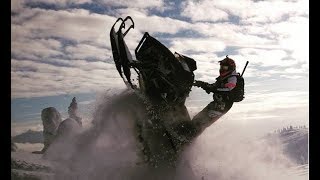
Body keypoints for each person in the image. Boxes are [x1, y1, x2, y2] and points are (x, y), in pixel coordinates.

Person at [191, 55, 239, 134]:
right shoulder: (223, 78)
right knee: (197, 119)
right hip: (217, 103)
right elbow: (214, 86)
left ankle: (186, 139)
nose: (222, 69)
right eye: (221, 67)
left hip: (222, 106)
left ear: (231, 68)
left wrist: (213, 89)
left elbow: (228, 89)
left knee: (202, 123)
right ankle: (186, 133)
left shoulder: (233, 78)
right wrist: (204, 84)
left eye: (225, 67)